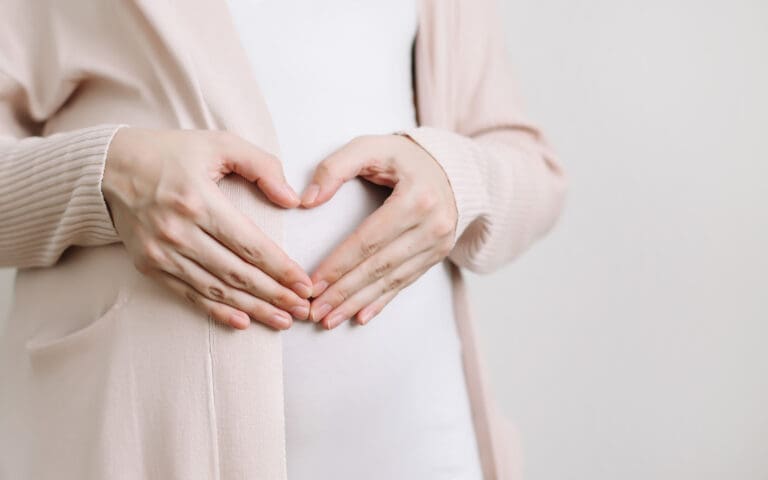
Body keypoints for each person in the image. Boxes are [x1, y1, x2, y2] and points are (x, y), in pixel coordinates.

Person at [0, 0, 567, 478]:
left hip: (421, 442)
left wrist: (457, 181)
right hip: (141, 448)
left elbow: (531, 167)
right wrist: (106, 173)